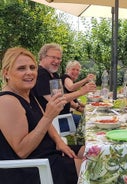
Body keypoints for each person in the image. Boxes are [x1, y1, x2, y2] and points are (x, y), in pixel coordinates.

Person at [0, 47, 84, 184]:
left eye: (32, 67)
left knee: (92, 152)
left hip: (47, 151)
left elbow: (47, 124)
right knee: (96, 168)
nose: (29, 72)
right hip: (32, 168)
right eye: (21, 68)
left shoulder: (27, 94)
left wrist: (59, 141)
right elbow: (22, 151)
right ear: (7, 73)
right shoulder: (7, 101)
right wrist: (48, 116)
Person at [32, 43, 96, 132]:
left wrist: (79, 105)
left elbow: (61, 95)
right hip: (54, 122)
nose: (57, 61)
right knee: (92, 124)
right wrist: (81, 92)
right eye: (53, 57)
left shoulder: (53, 74)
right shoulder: (41, 74)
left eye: (58, 58)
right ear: (43, 57)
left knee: (92, 120)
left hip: (63, 116)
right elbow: (57, 100)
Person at [61, 60, 95, 126]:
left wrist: (89, 107)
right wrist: (86, 80)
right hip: (63, 118)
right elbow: (71, 88)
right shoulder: (65, 77)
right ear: (67, 69)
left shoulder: (70, 80)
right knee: (89, 123)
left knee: (91, 119)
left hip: (67, 115)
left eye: (77, 70)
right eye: (73, 69)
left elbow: (75, 101)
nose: (75, 72)